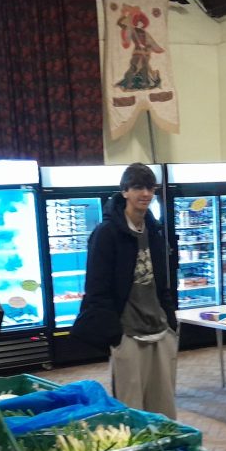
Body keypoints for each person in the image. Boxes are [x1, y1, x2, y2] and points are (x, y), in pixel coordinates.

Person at [71, 163, 179, 418]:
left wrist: (171, 323)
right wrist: (114, 333)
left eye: (150, 188)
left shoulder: (155, 231)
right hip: (128, 334)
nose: (145, 193)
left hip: (160, 331)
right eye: (138, 187)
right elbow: (96, 288)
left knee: (164, 410)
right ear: (125, 191)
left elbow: (163, 282)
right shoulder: (106, 234)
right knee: (131, 410)